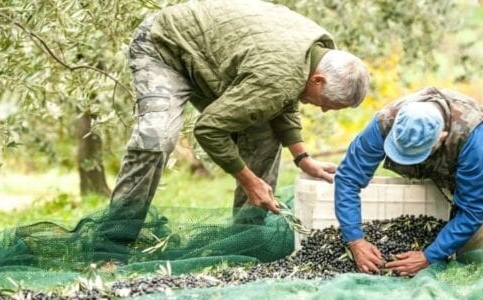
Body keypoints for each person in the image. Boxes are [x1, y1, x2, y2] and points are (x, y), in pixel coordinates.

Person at [102, 0, 369, 244]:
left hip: (211, 62)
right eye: (327, 104)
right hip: (164, 46)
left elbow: (282, 100)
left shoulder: (316, 55)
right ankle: (112, 243)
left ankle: (244, 239)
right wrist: (249, 181)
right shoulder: (279, 76)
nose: (322, 110)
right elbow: (209, 129)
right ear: (318, 80)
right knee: (156, 137)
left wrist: (302, 157)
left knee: (265, 134)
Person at [334, 86, 483, 276]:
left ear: (442, 137)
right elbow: (348, 177)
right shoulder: (387, 121)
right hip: (442, 177)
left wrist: (428, 256)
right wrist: (355, 239)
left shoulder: (473, 135)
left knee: (474, 263)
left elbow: (473, 208)